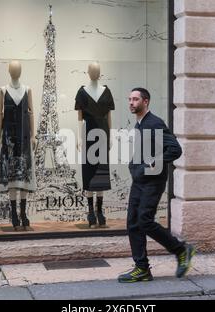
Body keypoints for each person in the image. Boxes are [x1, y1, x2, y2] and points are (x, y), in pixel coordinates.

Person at [118, 88, 196, 283]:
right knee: (133, 223)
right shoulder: (140, 125)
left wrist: (151, 165)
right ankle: (142, 268)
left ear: (146, 101)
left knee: (144, 220)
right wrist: (135, 166)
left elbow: (175, 150)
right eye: (129, 99)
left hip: (153, 181)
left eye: (135, 99)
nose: (131, 102)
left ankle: (181, 250)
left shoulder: (154, 123)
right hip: (140, 181)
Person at [0, 60, 37, 231]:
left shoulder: (28, 90)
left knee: (24, 176)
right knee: (13, 178)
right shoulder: (2, 90)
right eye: (13, 68)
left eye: (18, 68)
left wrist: (34, 135)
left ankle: (23, 213)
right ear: (9, 71)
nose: (16, 70)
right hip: (8, 138)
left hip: (24, 136)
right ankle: (14, 213)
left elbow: (31, 113)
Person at [75, 62, 115, 228]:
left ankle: (100, 211)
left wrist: (111, 135)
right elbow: (79, 118)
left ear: (100, 72)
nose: (95, 72)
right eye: (93, 70)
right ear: (88, 72)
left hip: (103, 134)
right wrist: (79, 137)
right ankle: (90, 211)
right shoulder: (82, 92)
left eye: (97, 70)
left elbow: (109, 116)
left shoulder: (106, 91)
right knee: (89, 172)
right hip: (88, 134)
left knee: (101, 173)